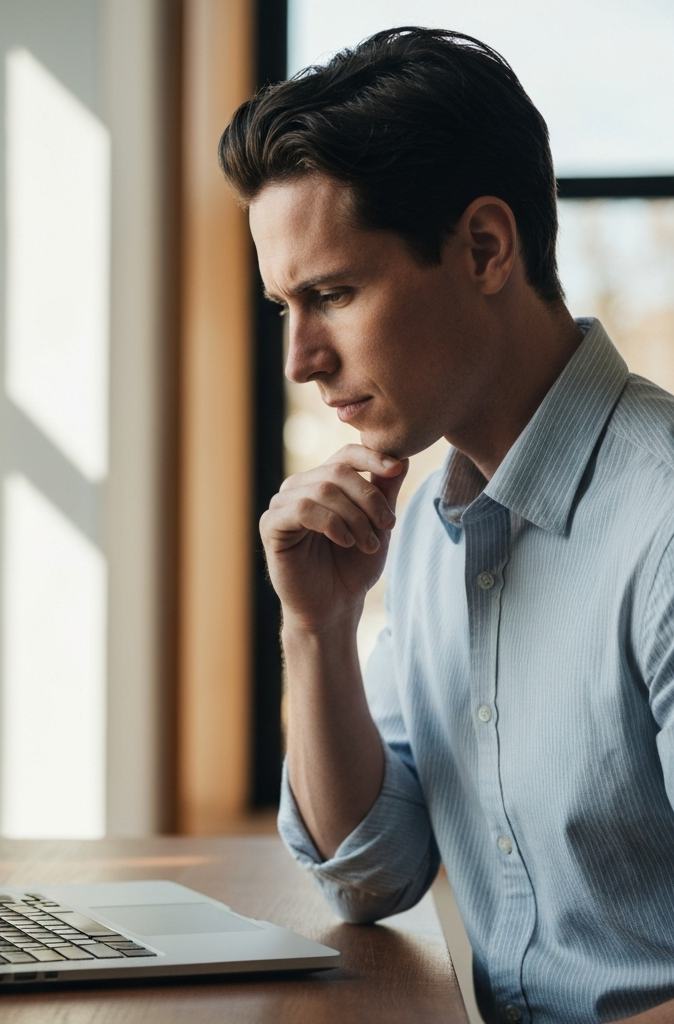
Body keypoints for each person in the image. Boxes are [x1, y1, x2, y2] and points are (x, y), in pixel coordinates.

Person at [219, 27, 674, 1024]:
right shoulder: (428, 529)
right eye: (281, 307)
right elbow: (369, 873)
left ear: (482, 248)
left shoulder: (664, 525)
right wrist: (319, 628)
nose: (299, 359)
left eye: (331, 294)